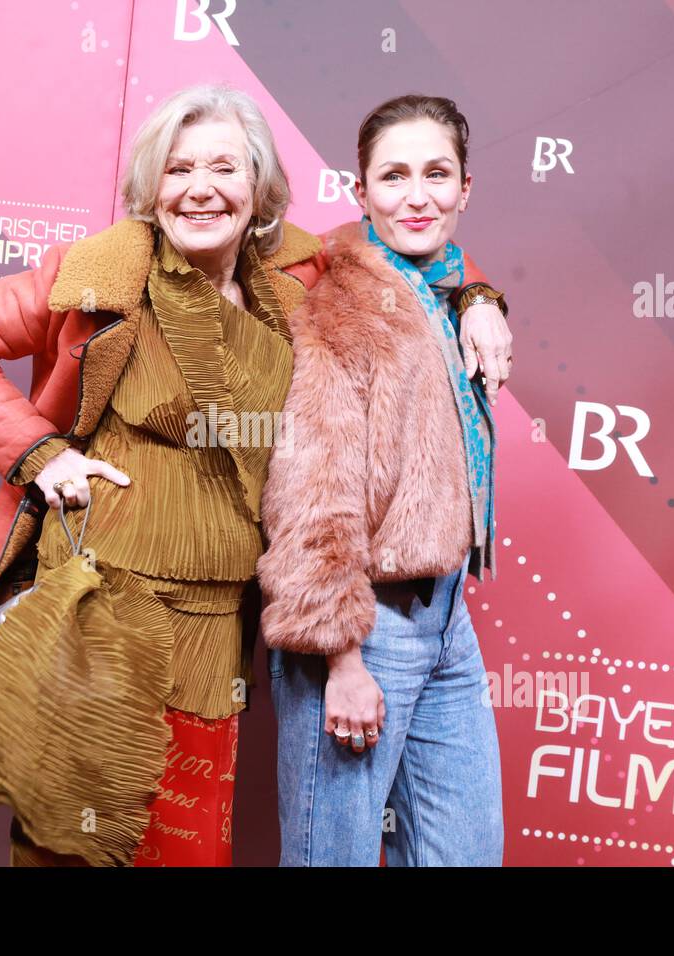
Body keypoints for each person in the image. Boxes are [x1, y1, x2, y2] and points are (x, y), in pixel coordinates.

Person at [0, 83, 510, 867]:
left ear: (257, 185)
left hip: (214, 627)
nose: (200, 188)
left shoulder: (291, 276)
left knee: (187, 849)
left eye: (224, 167)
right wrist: (41, 454)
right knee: (78, 839)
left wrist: (478, 297)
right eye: (178, 168)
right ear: (149, 188)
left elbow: (402, 246)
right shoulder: (101, 277)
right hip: (103, 616)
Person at [257, 94, 512, 866]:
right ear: (360, 192)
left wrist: (480, 294)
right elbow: (311, 494)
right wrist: (340, 659)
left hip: (447, 624)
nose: (418, 195)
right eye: (393, 177)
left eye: (437, 174)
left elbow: (438, 270)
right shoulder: (339, 307)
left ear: (466, 188)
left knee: (463, 853)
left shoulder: (444, 288)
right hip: (361, 628)